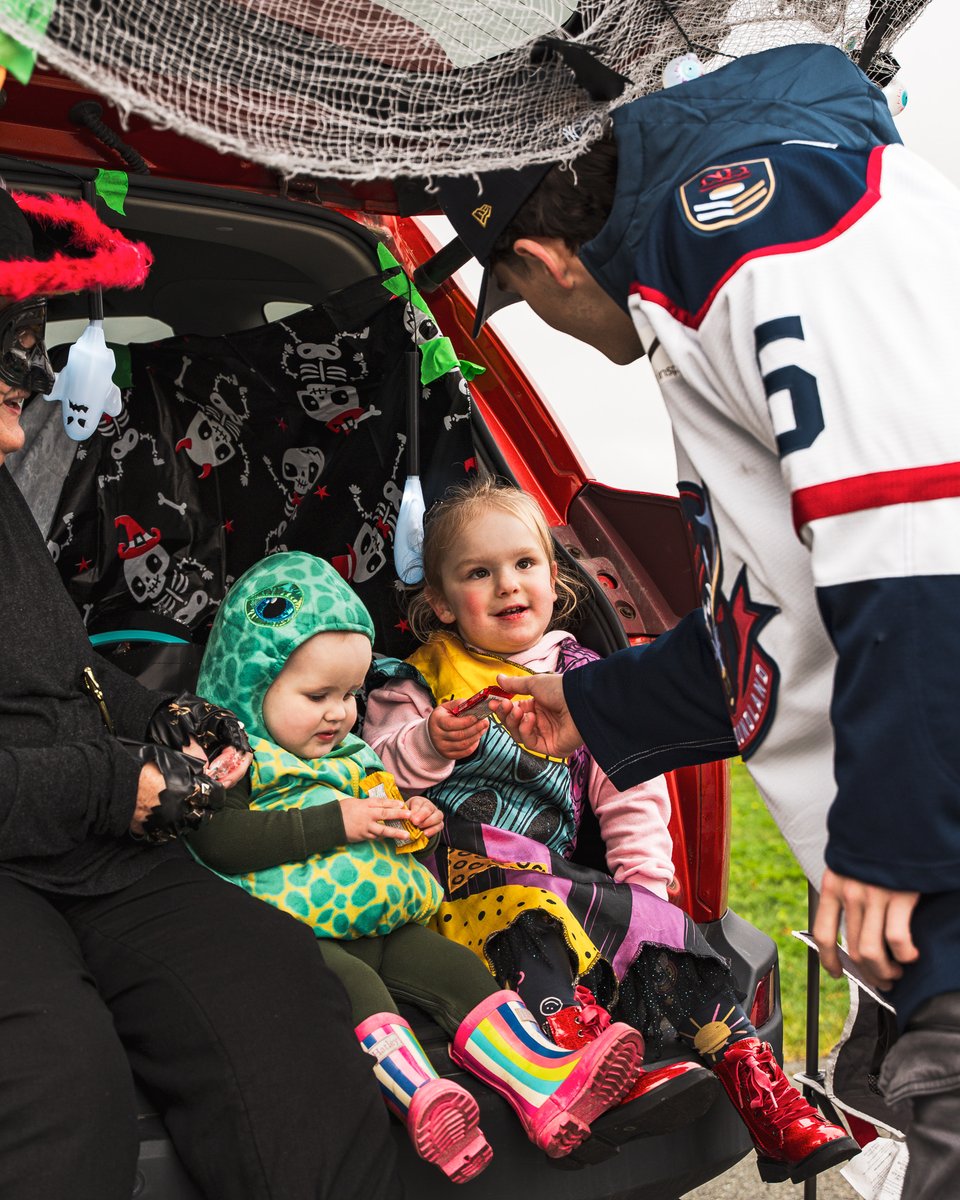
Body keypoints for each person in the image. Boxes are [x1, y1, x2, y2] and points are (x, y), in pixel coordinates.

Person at [431, 40, 960, 1198]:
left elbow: (914, 537)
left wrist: (896, 838)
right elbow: (773, 618)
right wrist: (589, 699)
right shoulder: (707, 265)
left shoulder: (762, 243)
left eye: (515, 300)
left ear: (536, 260)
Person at [0, 185, 404, 1200]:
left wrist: (163, 717)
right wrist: (111, 787)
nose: (20, 436)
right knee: (61, 1081)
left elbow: (64, 666)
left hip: (94, 846)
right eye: (9, 391)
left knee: (276, 992)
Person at [363, 475, 857, 1183]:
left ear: (554, 578)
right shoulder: (414, 685)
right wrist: (430, 745)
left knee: (662, 943)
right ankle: (583, 1063)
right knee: (522, 908)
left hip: (555, 881)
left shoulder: (586, 677)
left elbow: (630, 795)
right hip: (451, 888)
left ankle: (761, 1092)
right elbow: (369, 777)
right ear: (439, 601)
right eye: (479, 572)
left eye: (524, 564)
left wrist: (647, 898)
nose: (508, 585)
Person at [188, 548, 645, 1184]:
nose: (339, 712)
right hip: (300, 937)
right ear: (251, 682)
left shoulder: (349, 751)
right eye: (317, 695)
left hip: (385, 921)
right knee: (359, 994)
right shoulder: (232, 756)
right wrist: (335, 821)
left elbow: (384, 810)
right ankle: (423, 1101)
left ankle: (545, 1083)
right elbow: (219, 842)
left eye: (349, 694)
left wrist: (413, 819)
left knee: (455, 968)